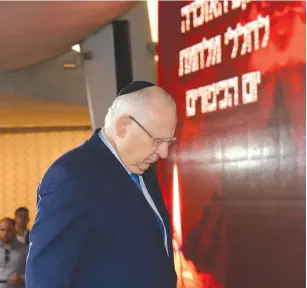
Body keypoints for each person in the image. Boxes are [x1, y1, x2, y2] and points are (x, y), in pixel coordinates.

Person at [26, 81, 178, 288]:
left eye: (168, 142)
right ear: (123, 126)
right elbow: (46, 278)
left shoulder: (143, 171)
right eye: (156, 140)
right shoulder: (72, 175)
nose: (163, 153)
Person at [0, 218, 28, 288]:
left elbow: (34, 272)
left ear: (15, 230)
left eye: (9, 230)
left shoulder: (26, 249)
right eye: (2, 230)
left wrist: (22, 279)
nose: (5, 233)